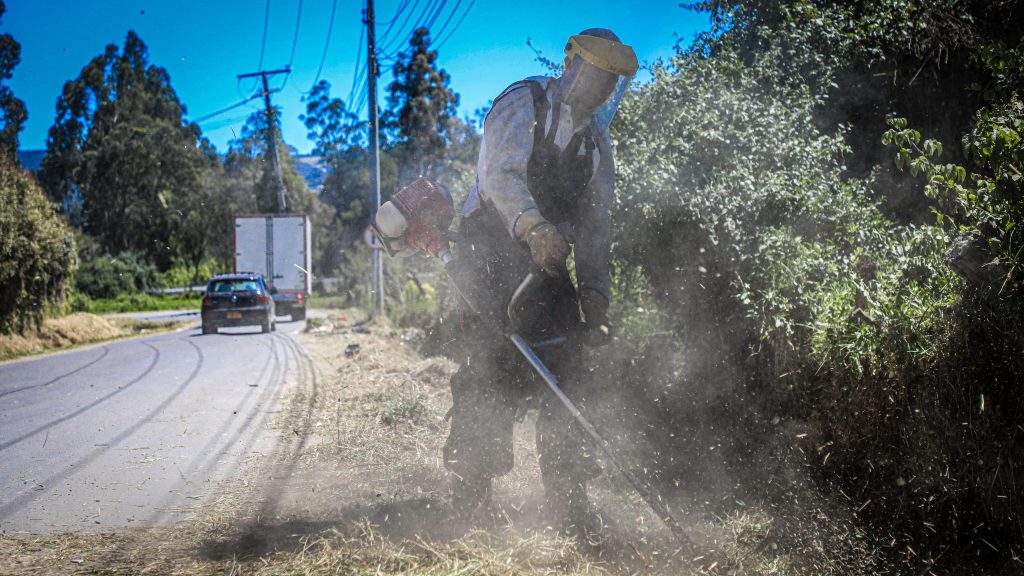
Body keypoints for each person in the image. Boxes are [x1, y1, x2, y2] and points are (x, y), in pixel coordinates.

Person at [443, 28, 638, 536]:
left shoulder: (597, 144)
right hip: (488, 256)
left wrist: (596, 293)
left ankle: (571, 504)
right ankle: (471, 499)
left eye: (611, 83)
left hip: (545, 263)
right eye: (597, 76)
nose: (600, 90)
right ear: (571, 66)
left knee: (569, 370)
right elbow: (497, 176)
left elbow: (597, 226)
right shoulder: (523, 101)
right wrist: (533, 227)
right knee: (490, 371)